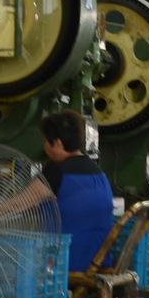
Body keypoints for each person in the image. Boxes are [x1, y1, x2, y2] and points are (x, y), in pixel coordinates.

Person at [36, 108, 115, 274]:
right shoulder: (98, 172)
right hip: (98, 263)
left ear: (57, 143)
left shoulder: (57, 170)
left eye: (46, 141)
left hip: (65, 264)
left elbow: (18, 204)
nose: (44, 146)